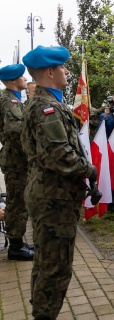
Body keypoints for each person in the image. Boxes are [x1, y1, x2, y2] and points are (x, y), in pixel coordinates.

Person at [21, 45, 97, 319]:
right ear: (50, 72)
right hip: (53, 200)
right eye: (63, 67)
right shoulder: (46, 108)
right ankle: (44, 314)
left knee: (46, 262)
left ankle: (41, 312)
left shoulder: (48, 104)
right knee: (55, 266)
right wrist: (89, 170)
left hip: (52, 196)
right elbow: (59, 155)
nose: (67, 71)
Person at [0, 63, 34, 261]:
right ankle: (16, 246)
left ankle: (18, 241)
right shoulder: (10, 102)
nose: (26, 80)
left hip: (16, 158)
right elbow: (16, 130)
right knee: (17, 201)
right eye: (22, 77)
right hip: (16, 159)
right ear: (14, 81)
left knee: (19, 200)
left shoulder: (12, 100)